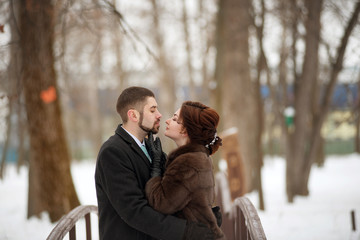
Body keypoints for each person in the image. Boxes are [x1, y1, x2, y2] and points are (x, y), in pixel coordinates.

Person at [94, 87, 215, 240]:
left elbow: (171, 195)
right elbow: (134, 211)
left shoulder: (152, 149)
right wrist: (186, 231)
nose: (159, 115)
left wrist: (204, 216)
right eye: (152, 110)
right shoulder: (113, 152)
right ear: (133, 115)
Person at [145, 101, 226, 239]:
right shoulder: (200, 157)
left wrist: (156, 166)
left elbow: (161, 203)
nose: (168, 121)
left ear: (186, 130)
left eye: (175, 119)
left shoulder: (188, 162)